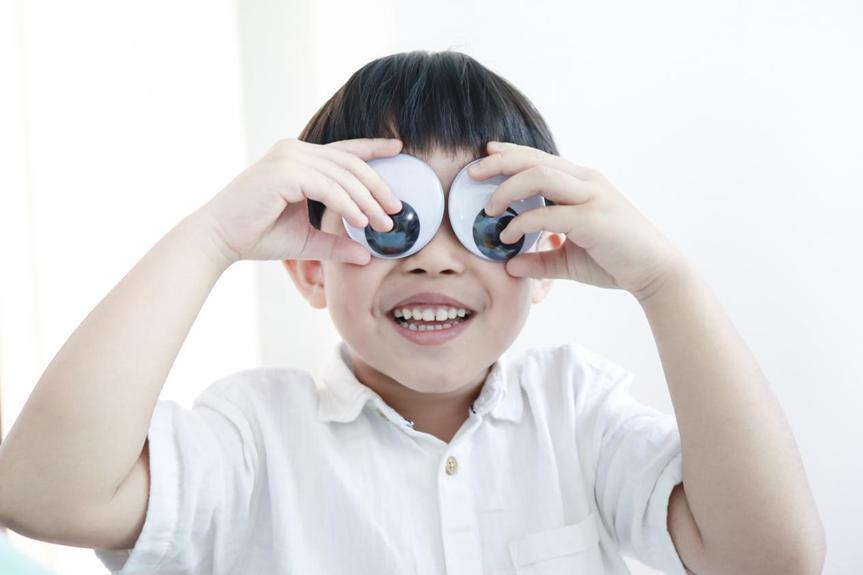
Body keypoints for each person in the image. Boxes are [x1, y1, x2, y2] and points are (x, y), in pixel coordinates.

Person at [0, 50, 825, 574]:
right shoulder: (250, 439)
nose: (433, 255)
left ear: (539, 259)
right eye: (389, 214)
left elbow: (772, 557)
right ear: (308, 268)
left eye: (485, 218)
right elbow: (44, 495)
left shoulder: (577, 415)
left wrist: (666, 283)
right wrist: (213, 235)